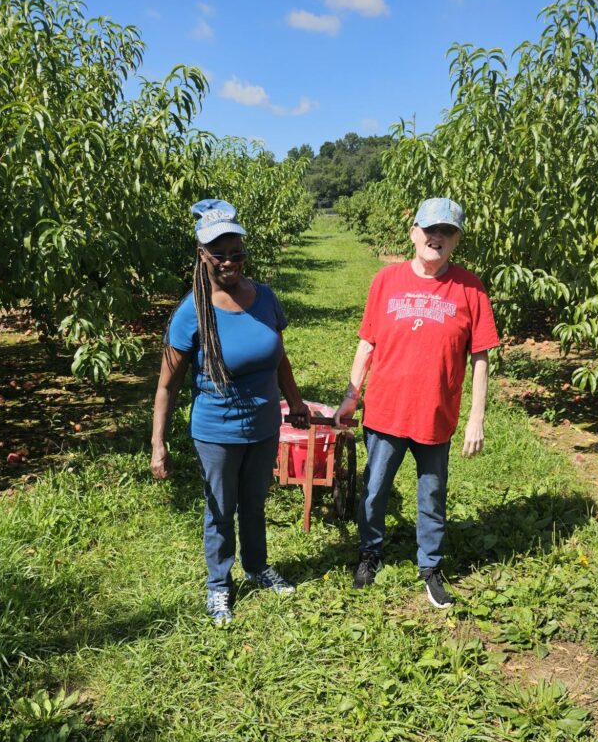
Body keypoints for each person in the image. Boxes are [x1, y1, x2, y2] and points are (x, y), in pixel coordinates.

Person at [334, 197, 499, 608]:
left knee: (432, 495)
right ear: (413, 234)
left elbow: (480, 357)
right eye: (429, 230)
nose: (436, 238)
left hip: (435, 415)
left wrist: (476, 417)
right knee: (374, 489)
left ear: (457, 240)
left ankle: (430, 566)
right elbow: (367, 343)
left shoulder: (470, 288)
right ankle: (369, 553)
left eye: (446, 232)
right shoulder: (385, 281)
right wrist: (351, 397)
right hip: (386, 411)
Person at [151, 199, 309, 626]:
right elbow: (167, 384)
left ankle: (257, 568)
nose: (228, 262)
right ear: (202, 255)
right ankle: (219, 585)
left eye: (236, 253)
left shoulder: (265, 298)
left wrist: (294, 400)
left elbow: (278, 356)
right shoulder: (191, 312)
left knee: (254, 501)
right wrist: (158, 443)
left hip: (264, 423)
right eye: (218, 254)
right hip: (217, 430)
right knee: (221, 508)